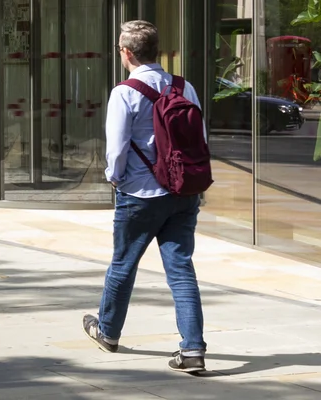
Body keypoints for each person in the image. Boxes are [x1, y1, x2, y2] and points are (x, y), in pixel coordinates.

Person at [84, 20, 207, 375]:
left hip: (139, 194)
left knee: (123, 264)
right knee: (181, 270)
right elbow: (199, 137)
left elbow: (117, 147)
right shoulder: (185, 87)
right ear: (158, 52)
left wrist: (114, 178)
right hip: (183, 193)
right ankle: (193, 349)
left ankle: (107, 331)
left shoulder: (125, 92)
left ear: (125, 52)